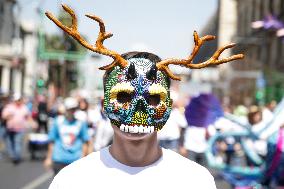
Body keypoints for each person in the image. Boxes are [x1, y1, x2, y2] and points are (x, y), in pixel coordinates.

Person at [46, 4, 243, 188]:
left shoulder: (195, 180)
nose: (138, 111)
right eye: (123, 97)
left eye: (152, 98)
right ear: (104, 103)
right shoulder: (71, 181)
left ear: (168, 104)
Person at [44, 97, 90, 175]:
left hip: (75, 160)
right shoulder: (58, 121)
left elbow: (85, 141)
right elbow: (52, 140)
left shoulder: (80, 123)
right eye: (70, 109)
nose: (72, 111)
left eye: (73, 109)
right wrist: (49, 158)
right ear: (65, 109)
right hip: (59, 158)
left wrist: (83, 157)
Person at [2, 93, 32, 164]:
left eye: (19, 100)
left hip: (20, 129)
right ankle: (13, 155)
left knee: (17, 142)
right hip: (10, 128)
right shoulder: (9, 107)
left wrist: (32, 123)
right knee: (10, 143)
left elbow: (28, 116)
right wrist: (8, 116)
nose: (18, 101)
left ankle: (16, 157)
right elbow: (4, 116)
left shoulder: (24, 107)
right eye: (17, 100)